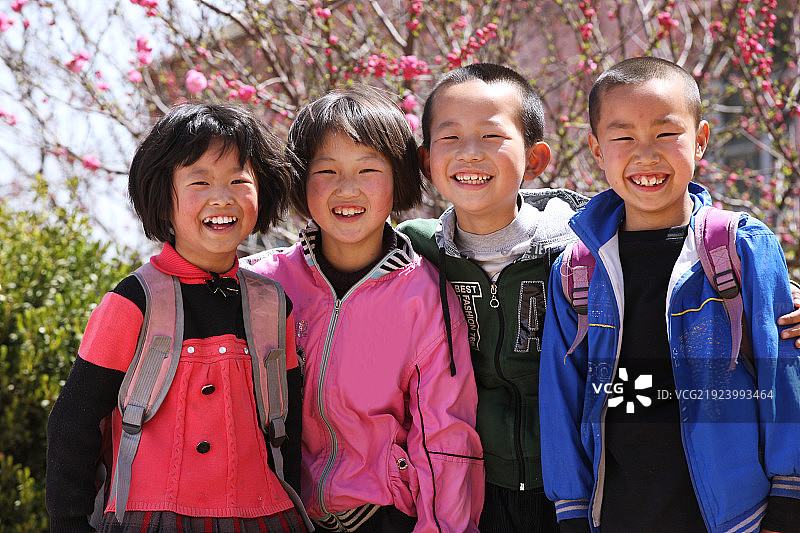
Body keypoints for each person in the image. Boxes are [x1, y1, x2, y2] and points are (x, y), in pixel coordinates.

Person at [539, 56, 800, 533]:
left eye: (666, 133)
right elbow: (561, 398)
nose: (646, 155)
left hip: (735, 517)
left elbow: (781, 371)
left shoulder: (740, 247)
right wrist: (572, 509)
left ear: (700, 140)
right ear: (596, 149)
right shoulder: (577, 270)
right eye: (623, 138)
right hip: (617, 514)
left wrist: (790, 495)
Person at [46, 103, 308, 532]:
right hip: (151, 518)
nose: (221, 197)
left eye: (239, 181)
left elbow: (287, 430)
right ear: (163, 199)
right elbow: (73, 421)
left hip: (264, 517)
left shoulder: (273, 305)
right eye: (199, 181)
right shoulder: (133, 301)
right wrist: (68, 522)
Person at [243, 85, 484, 532]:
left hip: (381, 517)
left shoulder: (426, 296)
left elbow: (445, 436)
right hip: (274, 515)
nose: (347, 188)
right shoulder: (261, 283)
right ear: (301, 180)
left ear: (398, 179)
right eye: (326, 170)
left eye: (368, 169)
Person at [398, 63, 587, 533]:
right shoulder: (414, 251)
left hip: (575, 483)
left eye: (492, 136)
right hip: (470, 486)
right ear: (426, 161)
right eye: (450, 137)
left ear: (535, 159)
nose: (469, 153)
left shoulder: (583, 250)